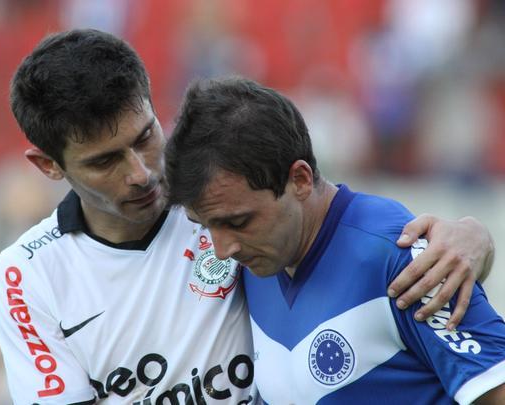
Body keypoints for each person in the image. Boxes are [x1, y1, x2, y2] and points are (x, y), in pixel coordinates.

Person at [0, 29, 494, 404]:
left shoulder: (220, 199)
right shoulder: (28, 276)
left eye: (145, 136)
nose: (142, 174)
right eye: (105, 161)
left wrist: (471, 238)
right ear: (48, 166)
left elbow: (334, 222)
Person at [164, 76, 505, 404]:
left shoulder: (400, 261)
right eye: (205, 226)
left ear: (299, 179)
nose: (223, 250)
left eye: (238, 222)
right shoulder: (254, 262)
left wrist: (478, 237)